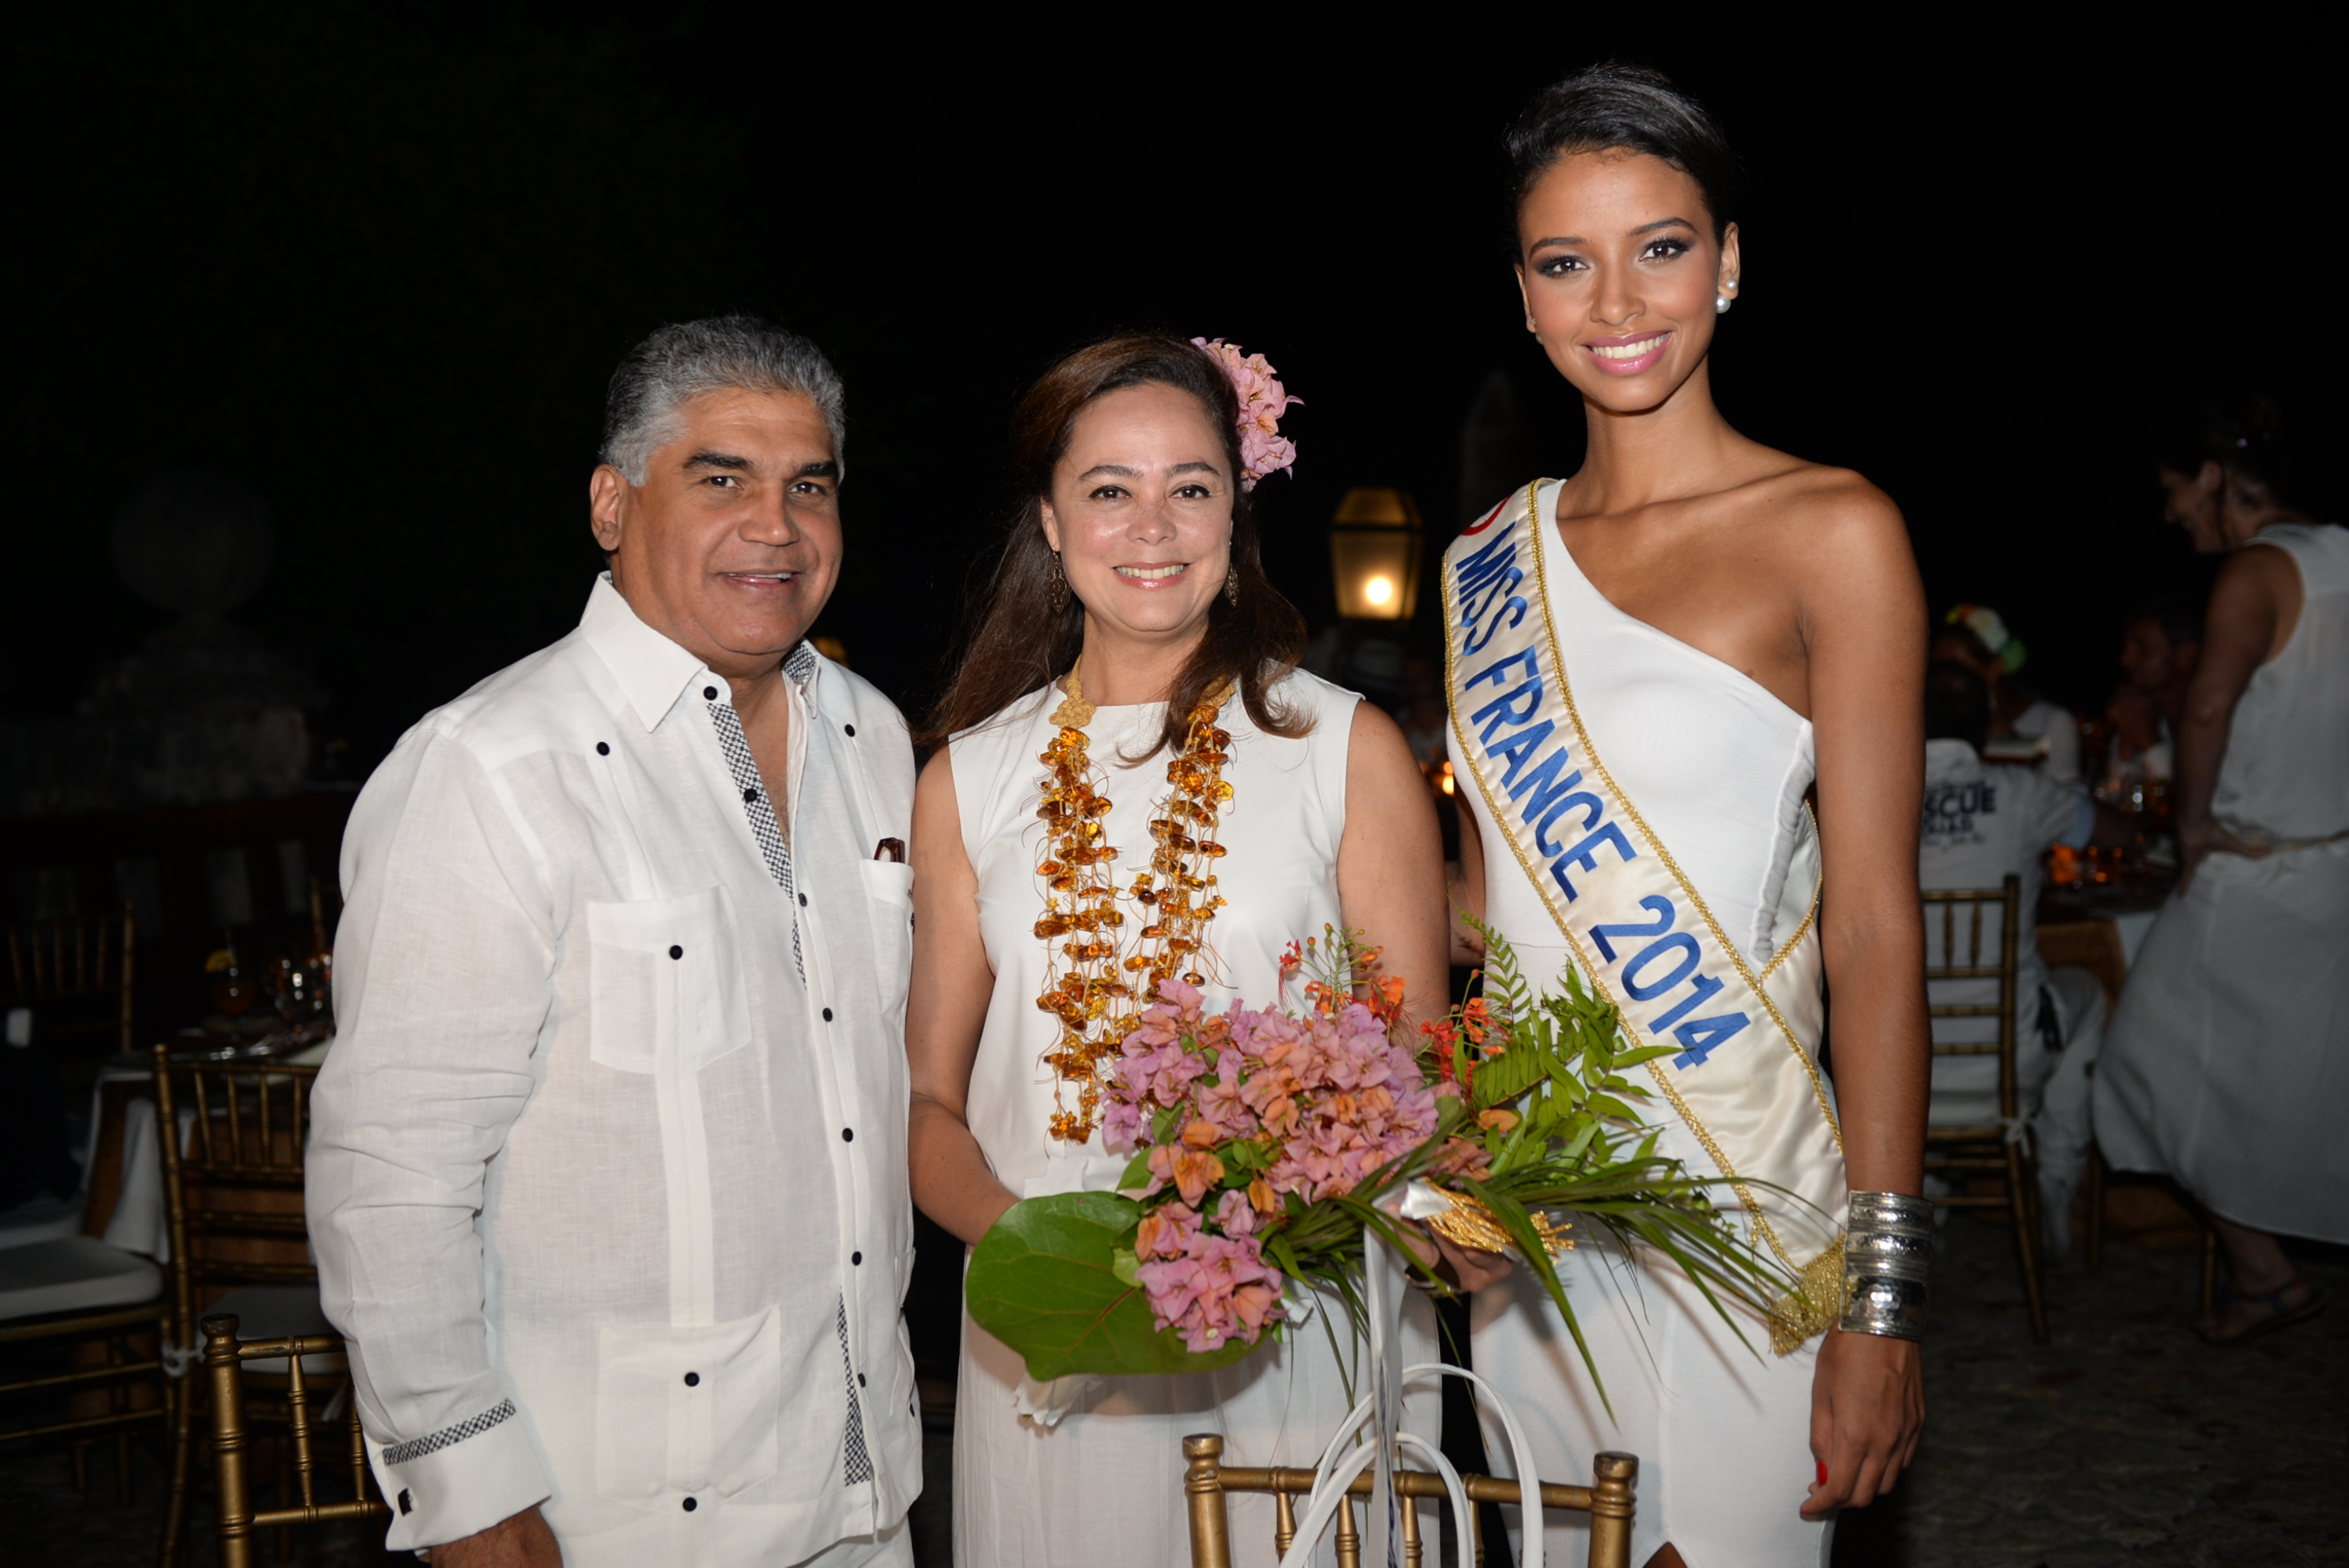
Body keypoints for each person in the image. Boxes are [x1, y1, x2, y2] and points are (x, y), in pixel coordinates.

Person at [308, 318, 921, 1566]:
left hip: (864, 1485)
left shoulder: (874, 738)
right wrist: (467, 1491)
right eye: (721, 479)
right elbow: (391, 1171)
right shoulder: (491, 767)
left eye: (809, 486)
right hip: (611, 1512)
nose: (776, 526)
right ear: (610, 504)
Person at [1444, 66, 1930, 1568]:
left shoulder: (1832, 529)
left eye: (1657, 246)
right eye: (1563, 261)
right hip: (1536, 1212)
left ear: (1725, 260)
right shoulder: (1483, 560)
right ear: (1521, 296)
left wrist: (1883, 1293)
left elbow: (1873, 929)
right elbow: (1479, 917)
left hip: (1751, 1187)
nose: (1613, 301)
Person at [904, 332, 1449, 1567]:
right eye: (1111, 489)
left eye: (1190, 487)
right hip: (1053, 1333)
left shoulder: (1344, 750)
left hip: (1297, 1325)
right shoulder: (967, 780)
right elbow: (926, 1101)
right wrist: (1041, 1254)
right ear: (1052, 522)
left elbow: (1418, 1082)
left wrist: (1290, 1218)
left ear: (1234, 514)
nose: (1152, 526)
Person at [2095, 397, 2349, 1344]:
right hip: (2332, 867)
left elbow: (2204, 706)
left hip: (2256, 871)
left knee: (2136, 1063)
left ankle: (2265, 1273)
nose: (2169, 511)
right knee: (2307, 1084)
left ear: (2212, 478)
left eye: (2173, 489)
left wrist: (2191, 824)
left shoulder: (2256, 567)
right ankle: (2262, 1273)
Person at [1916, 659, 2104, 1259]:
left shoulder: (1873, 799)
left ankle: (1928, 1185)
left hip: (1898, 1070)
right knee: (2090, 992)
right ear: (1987, 724)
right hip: (2009, 1065)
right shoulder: (2023, 793)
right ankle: (2057, 1176)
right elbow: (2112, 832)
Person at [1931, 604, 2083, 785]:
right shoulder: (1933, 725)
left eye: (1956, 669)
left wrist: (2013, 747)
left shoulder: (2053, 721)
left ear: (1995, 668)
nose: (1943, 680)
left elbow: (2068, 798)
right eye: (1936, 670)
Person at [2099, 598, 2202, 796]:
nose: (2126, 659)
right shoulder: (2142, 710)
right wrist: (2127, 748)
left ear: (2185, 655)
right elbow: (2115, 800)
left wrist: (2152, 744)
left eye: (2142, 646)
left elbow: (2188, 805)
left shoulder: (2214, 721)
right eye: (2127, 646)